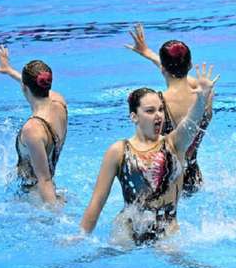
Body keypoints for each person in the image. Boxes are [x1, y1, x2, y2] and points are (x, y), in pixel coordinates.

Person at [79, 64, 218, 245]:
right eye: (150, 111)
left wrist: (200, 99)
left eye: (160, 109)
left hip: (166, 230)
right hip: (128, 229)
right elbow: (97, 202)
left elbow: (190, 125)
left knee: (177, 258)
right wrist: (80, 237)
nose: (158, 115)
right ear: (134, 117)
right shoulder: (118, 151)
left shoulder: (174, 144)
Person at [125, 24, 211, 194]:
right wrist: (149, 54)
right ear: (190, 65)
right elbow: (188, 80)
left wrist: (152, 56)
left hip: (164, 182)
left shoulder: (156, 104)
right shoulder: (206, 95)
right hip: (194, 178)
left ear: (163, 68)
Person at [0, 44, 68, 206]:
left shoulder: (33, 129)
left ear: (24, 87)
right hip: (48, 191)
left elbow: (44, 180)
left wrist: (56, 217)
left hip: (34, 199)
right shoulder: (60, 104)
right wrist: (10, 71)